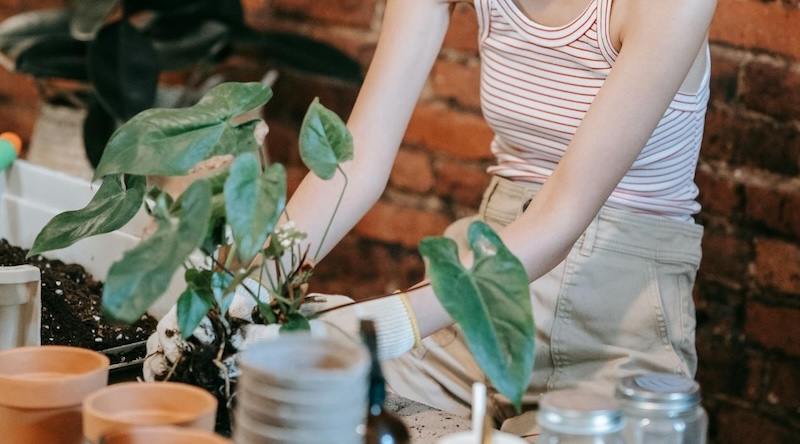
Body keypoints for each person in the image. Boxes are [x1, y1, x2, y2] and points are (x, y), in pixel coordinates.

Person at [148, 0, 717, 438]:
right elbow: (358, 160)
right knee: (305, 408)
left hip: (614, 324)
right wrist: (249, 290)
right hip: (472, 312)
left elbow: (561, 216)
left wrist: (389, 322)